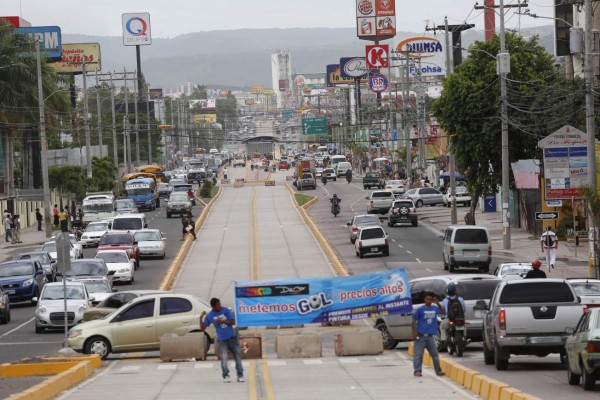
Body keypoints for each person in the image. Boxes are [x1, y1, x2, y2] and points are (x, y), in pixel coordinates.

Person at [200, 298, 244, 383]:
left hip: (232, 337)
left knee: (237, 357)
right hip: (222, 340)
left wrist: (222, 322)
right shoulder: (210, 315)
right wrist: (200, 318)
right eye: (218, 305)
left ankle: (240, 375)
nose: (220, 306)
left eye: (220, 304)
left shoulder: (225, 310)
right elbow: (202, 328)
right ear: (213, 306)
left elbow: (233, 322)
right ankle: (226, 376)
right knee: (224, 358)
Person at [412, 291, 445, 377]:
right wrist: (414, 333)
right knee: (418, 355)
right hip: (421, 336)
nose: (429, 301)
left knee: (435, 355)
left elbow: (443, 312)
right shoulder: (420, 309)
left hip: (430, 337)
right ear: (424, 299)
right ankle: (417, 371)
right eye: (427, 299)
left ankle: (438, 370)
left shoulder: (434, 308)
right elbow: (414, 321)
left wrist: (437, 303)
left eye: (430, 299)